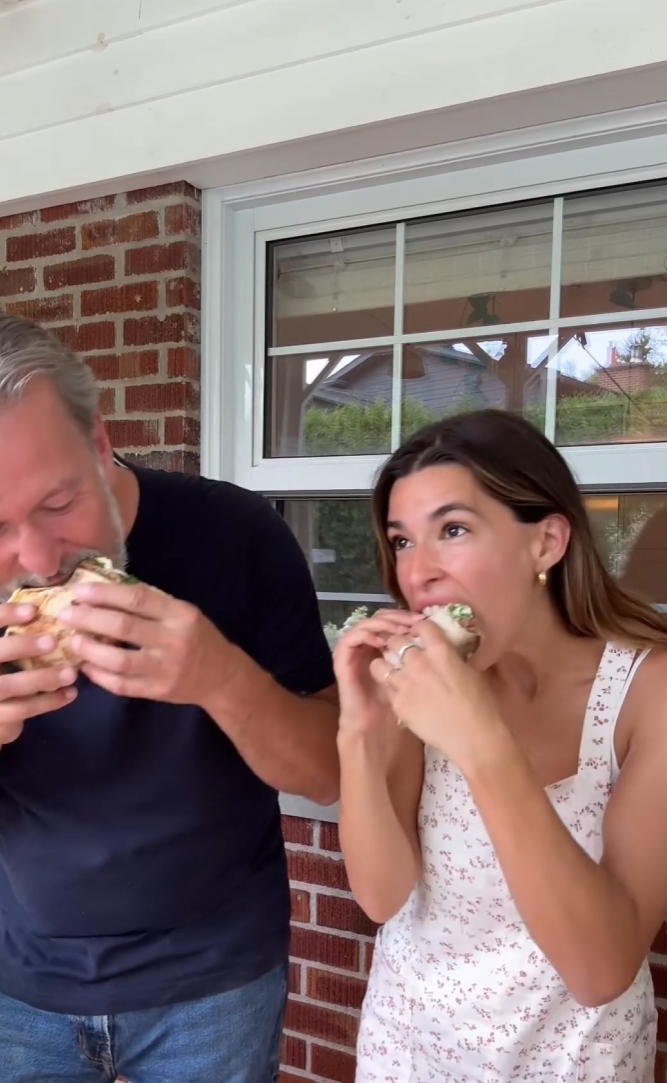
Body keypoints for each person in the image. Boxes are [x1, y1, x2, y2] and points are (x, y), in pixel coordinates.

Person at [0, 313, 339, 1083]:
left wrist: (220, 676)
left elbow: (328, 772)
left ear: (98, 442)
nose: (38, 559)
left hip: (214, 979)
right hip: (16, 985)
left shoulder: (236, 533)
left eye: (57, 504)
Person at [334, 409, 667, 1083]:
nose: (416, 572)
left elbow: (601, 968)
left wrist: (479, 743)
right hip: (409, 1048)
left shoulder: (646, 690)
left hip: (574, 1060)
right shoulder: (414, 680)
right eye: (401, 541)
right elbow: (381, 895)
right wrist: (359, 731)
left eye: (451, 530)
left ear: (544, 542)